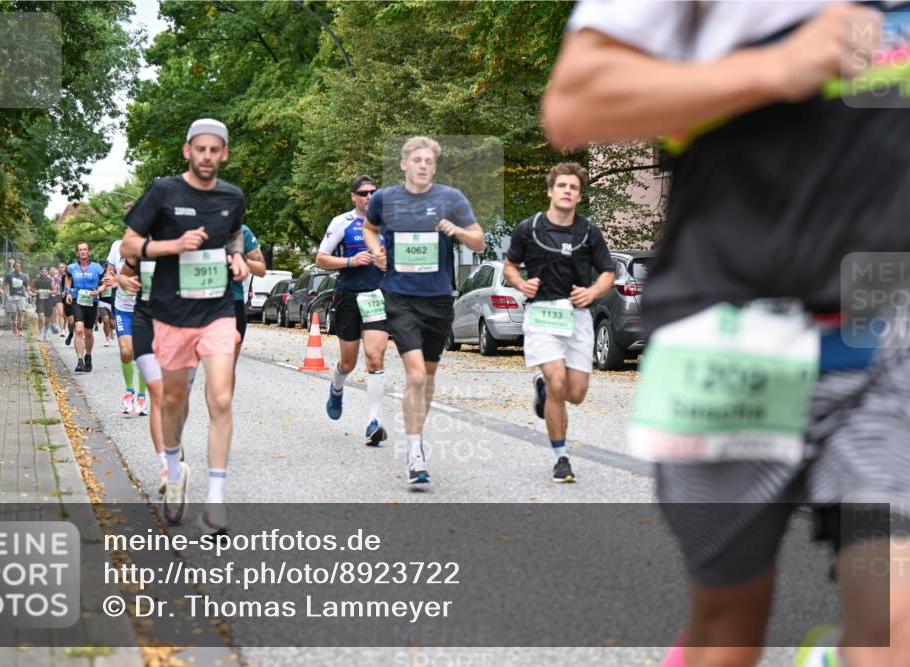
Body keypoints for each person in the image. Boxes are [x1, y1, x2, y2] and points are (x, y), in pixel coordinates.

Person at [543, 3, 910, 667]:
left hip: (886, 345)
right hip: (731, 338)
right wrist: (778, 67)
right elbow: (574, 101)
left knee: (895, 620)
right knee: (730, 628)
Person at [120, 118, 249, 533]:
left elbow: (233, 237)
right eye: (201, 149)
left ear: (225, 153)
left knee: (222, 398)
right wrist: (173, 246)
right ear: (187, 151)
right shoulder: (164, 192)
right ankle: (173, 472)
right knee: (173, 400)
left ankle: (215, 500)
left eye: (216, 150)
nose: (208, 157)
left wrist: (238, 257)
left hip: (217, 311)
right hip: (171, 314)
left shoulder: (233, 197)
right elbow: (129, 244)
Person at [363, 136, 485, 485]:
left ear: (434, 165)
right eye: (416, 159)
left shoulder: (451, 198)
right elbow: (370, 229)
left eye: (428, 161)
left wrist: (457, 230)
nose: (422, 165)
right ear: (404, 164)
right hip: (399, 297)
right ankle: (415, 452)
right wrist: (376, 251)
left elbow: (479, 240)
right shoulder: (385, 199)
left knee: (427, 377)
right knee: (415, 375)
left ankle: (415, 437)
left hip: (438, 299)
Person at [503, 162, 615, 483]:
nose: (567, 191)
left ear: (579, 196)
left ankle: (542, 389)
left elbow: (608, 272)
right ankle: (561, 457)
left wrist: (593, 291)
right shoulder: (529, 228)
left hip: (577, 316)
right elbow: (510, 265)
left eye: (574, 188)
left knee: (574, 393)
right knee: (557, 382)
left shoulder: (589, 232)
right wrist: (521, 284)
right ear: (551, 191)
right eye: (562, 186)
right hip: (541, 314)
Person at [316, 175, 390, 446]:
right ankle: (336, 388)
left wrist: (387, 264)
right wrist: (350, 260)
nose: (368, 197)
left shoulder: (387, 224)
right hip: (347, 296)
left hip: (376, 296)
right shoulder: (342, 223)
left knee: (375, 357)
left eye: (373, 192)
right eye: (363, 193)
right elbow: (321, 259)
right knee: (349, 362)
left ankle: (374, 422)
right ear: (353, 197)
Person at [107, 239, 149, 416]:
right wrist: (111, 278)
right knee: (126, 352)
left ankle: (141, 396)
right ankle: (129, 391)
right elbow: (110, 270)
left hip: (144, 309)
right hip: (122, 308)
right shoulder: (117, 245)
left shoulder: (152, 246)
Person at [65, 242, 105, 372]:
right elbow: (68, 278)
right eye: (80, 250)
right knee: (79, 330)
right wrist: (68, 292)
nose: (83, 251)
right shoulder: (71, 267)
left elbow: (106, 282)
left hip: (91, 302)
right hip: (77, 301)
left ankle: (88, 356)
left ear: (89, 252)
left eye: (85, 249)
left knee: (88, 333)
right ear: (77, 253)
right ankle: (80, 361)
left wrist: (99, 291)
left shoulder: (97, 267)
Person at [231, 223, 266, 362]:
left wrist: (240, 258)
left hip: (232, 302)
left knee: (226, 369)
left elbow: (261, 269)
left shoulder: (240, 231)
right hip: (194, 302)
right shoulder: (189, 224)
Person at [2, 262, 28, 336]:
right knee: (13, 315)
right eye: (16, 266)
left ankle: (20, 330)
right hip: (12, 296)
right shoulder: (9, 275)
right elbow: (4, 285)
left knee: (20, 313)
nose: (18, 268)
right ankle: (14, 324)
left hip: (21, 296)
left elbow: (26, 286)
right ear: (14, 267)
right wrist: (7, 295)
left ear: (21, 267)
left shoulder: (24, 276)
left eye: (19, 266)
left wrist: (28, 292)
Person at [30, 266, 56, 342]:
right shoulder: (36, 280)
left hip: (48, 301)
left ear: (47, 272)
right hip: (40, 301)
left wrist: (49, 291)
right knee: (41, 318)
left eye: (45, 272)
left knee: (47, 320)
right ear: (39, 272)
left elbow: (55, 290)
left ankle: (46, 333)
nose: (43, 273)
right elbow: (31, 287)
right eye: (42, 271)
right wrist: (35, 291)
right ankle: (41, 333)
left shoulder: (50, 280)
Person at [98, 264, 117, 347]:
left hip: (112, 302)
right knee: (105, 320)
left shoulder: (115, 276)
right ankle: (107, 338)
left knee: (112, 324)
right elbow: (97, 285)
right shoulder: (101, 277)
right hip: (102, 302)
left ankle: (112, 330)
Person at [57, 262, 74, 342]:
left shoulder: (80, 277)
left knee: (80, 320)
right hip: (67, 300)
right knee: (70, 321)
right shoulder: (64, 277)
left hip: (78, 300)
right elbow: (64, 288)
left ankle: (80, 335)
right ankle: (70, 333)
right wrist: (64, 292)